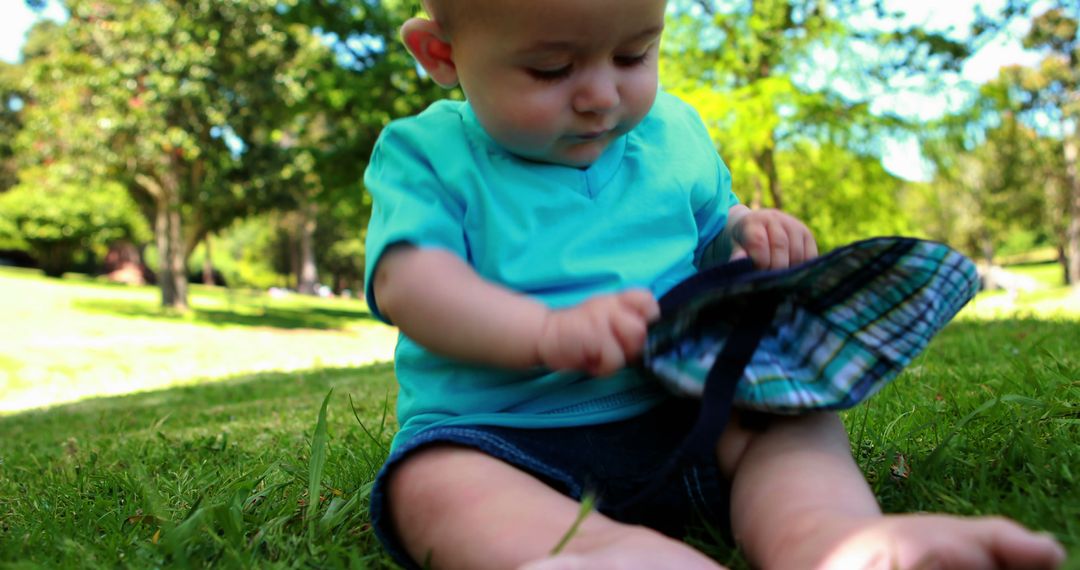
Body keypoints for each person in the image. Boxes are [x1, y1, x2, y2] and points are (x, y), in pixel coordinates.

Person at [361, 0, 1068, 568]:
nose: (602, 94)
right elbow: (411, 282)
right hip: (506, 439)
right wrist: (543, 333)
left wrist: (749, 234)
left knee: (787, 424)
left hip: (688, 407)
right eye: (551, 68)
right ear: (442, 55)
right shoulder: (427, 154)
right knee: (431, 488)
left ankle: (831, 540)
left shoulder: (674, 132)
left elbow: (712, 238)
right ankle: (610, 556)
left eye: (635, 54)